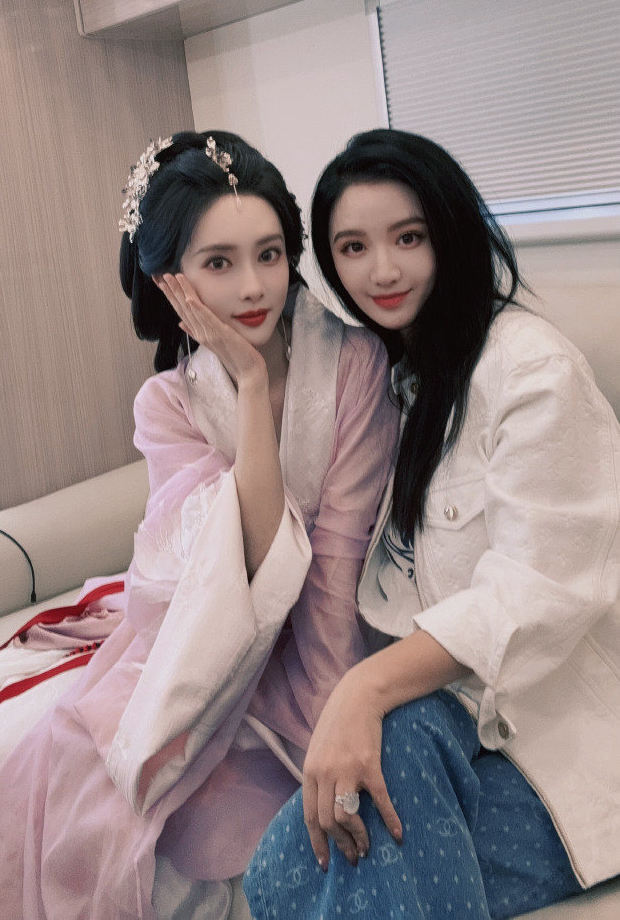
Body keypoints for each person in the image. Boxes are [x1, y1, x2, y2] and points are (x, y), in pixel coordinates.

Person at [0, 131, 397, 920]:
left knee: (235, 829)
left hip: (336, 634)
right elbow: (244, 559)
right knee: (33, 780)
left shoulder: (354, 362)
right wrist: (248, 383)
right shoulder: (168, 403)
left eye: (270, 254)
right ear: (170, 280)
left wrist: (331, 722)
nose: (253, 286)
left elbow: (334, 565)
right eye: (219, 262)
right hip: (215, 638)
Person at [244, 129, 620, 920]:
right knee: (278, 869)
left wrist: (366, 686)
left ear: (450, 233)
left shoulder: (531, 369)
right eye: (353, 247)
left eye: (408, 237)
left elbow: (536, 591)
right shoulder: (393, 382)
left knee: (367, 800)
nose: (381, 270)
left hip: (557, 750)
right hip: (461, 742)